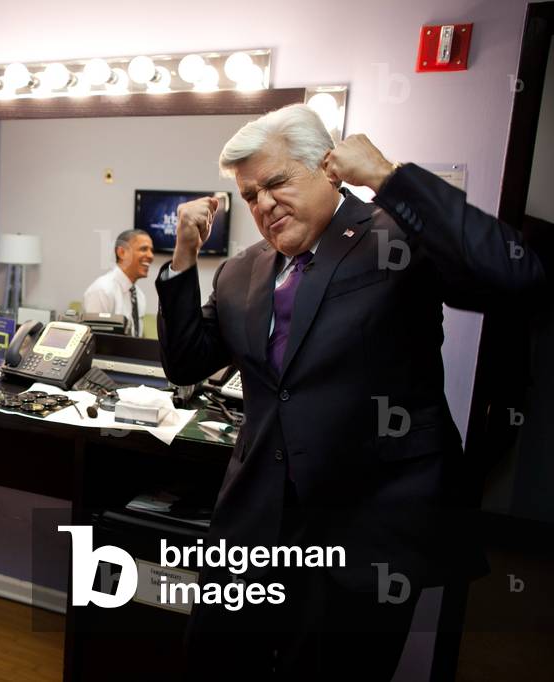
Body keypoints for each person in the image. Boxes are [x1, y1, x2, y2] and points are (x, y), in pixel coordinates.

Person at [155, 104, 545, 680]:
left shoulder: (395, 236)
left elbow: (517, 278)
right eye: (249, 194)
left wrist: (391, 177)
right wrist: (184, 256)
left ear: (330, 169)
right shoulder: (242, 271)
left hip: (365, 531)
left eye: (277, 182)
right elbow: (186, 360)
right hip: (256, 526)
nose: (262, 204)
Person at [83, 229, 154, 336]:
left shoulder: (140, 296)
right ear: (121, 252)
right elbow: (94, 342)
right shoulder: (102, 291)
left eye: (151, 250)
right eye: (143, 249)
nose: (151, 256)